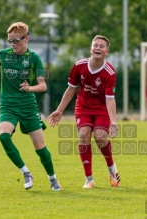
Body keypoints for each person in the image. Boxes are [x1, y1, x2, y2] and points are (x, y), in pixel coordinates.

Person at [0, 22, 62, 191]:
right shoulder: (3, 55)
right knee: (3, 136)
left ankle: (52, 178)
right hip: (7, 106)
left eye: (16, 41)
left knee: (40, 148)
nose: (13, 44)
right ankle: (26, 172)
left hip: (28, 107)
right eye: (10, 41)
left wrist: (29, 88)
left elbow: (43, 86)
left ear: (27, 39)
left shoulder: (34, 58)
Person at [49, 35, 120, 189]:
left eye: (102, 46)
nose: (98, 48)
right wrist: (59, 111)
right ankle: (89, 179)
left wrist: (114, 122)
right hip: (83, 107)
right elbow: (71, 89)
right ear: (91, 49)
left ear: (107, 51)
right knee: (83, 135)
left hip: (102, 109)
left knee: (101, 138)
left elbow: (110, 99)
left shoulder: (109, 72)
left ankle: (112, 168)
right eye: (95, 45)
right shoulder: (79, 66)